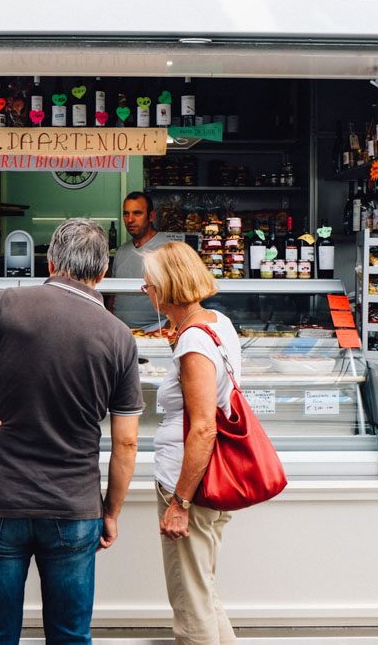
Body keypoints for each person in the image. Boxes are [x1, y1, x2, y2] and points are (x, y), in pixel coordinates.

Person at [0, 218, 143, 644]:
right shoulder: (118, 336)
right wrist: (109, 512)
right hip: (73, 507)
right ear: (103, 273)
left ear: (51, 261)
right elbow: (126, 442)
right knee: (70, 635)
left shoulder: (6, 303)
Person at [142, 241, 242, 645]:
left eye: (148, 281)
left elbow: (202, 427)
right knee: (203, 590)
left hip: (190, 482)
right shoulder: (217, 323)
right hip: (213, 476)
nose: (143, 288)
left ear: (167, 285)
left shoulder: (194, 342)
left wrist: (179, 503)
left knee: (190, 604)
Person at [111, 191, 173, 329]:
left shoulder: (168, 250)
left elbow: (182, 298)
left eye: (137, 213)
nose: (130, 219)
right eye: (126, 214)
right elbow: (112, 296)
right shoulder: (121, 251)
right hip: (121, 333)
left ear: (151, 216)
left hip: (157, 332)